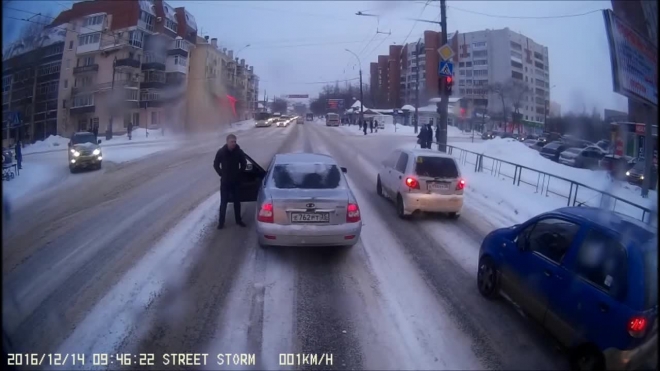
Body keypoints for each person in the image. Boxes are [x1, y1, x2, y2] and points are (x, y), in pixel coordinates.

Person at [213, 133, 248, 229]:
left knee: (237, 202)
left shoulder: (239, 152)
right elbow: (216, 164)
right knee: (223, 203)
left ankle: (238, 220)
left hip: (236, 181)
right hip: (225, 182)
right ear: (227, 142)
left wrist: (240, 173)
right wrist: (221, 173)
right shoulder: (221, 152)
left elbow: (244, 163)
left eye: (235, 142)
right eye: (231, 142)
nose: (233, 144)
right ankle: (221, 223)